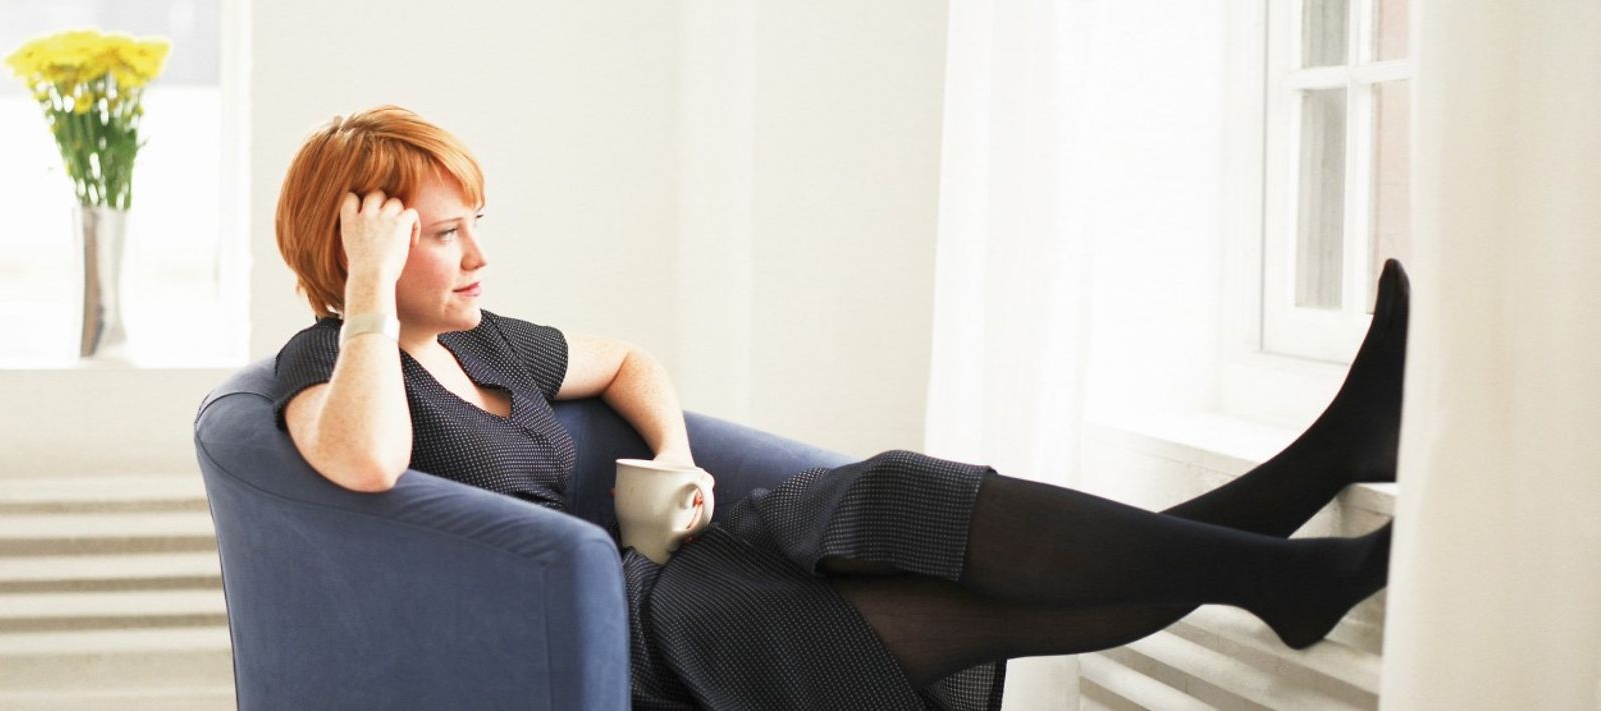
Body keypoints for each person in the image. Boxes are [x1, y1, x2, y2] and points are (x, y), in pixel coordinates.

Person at [268, 105, 1401, 711]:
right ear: (359, 244)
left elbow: (627, 364)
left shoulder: (495, 338)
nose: (479, 252)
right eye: (441, 230)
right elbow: (366, 466)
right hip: (639, 634)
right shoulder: (326, 364)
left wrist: (671, 453)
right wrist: (365, 293)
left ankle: (1291, 528)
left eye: (478, 217)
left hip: (677, 562)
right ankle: (1284, 544)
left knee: (890, 493)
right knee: (949, 611)